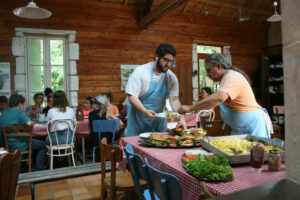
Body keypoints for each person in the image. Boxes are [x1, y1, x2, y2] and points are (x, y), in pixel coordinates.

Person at [180, 53, 272, 138]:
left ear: (219, 66)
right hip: (239, 129)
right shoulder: (224, 80)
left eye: (209, 70)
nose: (207, 74)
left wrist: (190, 108)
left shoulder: (232, 77)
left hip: (252, 127)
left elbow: (219, 98)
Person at [125, 43, 187, 137]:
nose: (168, 64)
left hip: (158, 124)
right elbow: (132, 96)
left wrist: (181, 118)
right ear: (157, 56)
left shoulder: (171, 77)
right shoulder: (141, 72)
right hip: (138, 123)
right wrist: (145, 111)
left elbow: (174, 100)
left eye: (171, 61)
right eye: (166, 60)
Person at [0, 94, 46, 171]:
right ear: (20, 104)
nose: (23, 107)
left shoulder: (4, 113)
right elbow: (29, 124)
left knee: (27, 142)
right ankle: (38, 170)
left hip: (7, 145)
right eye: (23, 105)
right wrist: (32, 123)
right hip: (20, 145)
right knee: (42, 145)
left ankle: (21, 168)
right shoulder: (19, 113)